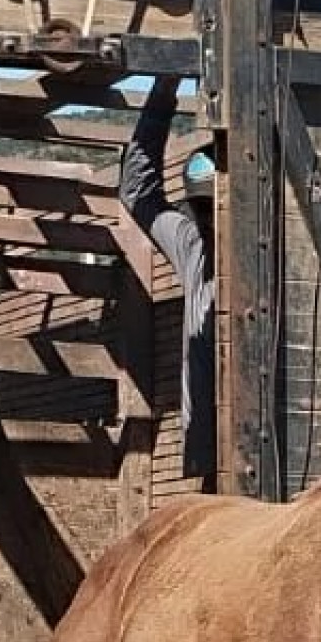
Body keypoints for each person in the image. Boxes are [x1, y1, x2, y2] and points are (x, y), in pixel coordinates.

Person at [119, 73, 216, 490]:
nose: (211, 218)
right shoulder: (194, 248)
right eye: (202, 208)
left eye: (214, 206)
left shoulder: (273, 257)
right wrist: (163, 91)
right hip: (208, 456)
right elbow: (137, 192)